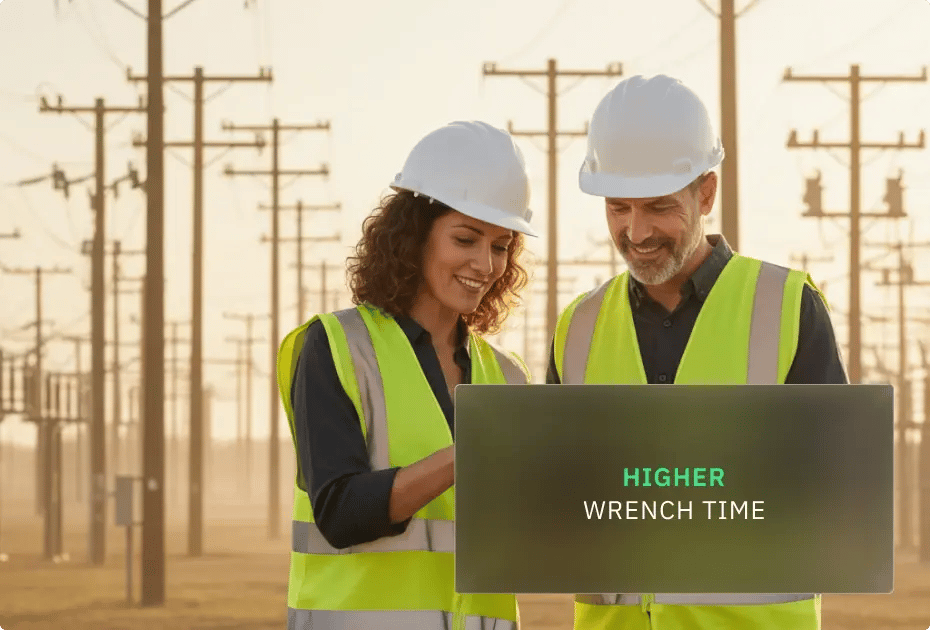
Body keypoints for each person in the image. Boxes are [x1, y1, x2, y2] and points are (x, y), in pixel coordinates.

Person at [548, 75, 848, 629]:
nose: (635, 232)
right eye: (618, 208)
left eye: (658, 207)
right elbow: (557, 499)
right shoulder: (579, 328)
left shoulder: (787, 308)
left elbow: (835, 490)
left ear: (705, 193)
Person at [276, 120, 537, 630]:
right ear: (414, 236)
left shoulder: (507, 378)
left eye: (502, 246)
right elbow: (340, 513)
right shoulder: (336, 349)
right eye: (466, 238)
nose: (485, 265)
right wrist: (472, 451)